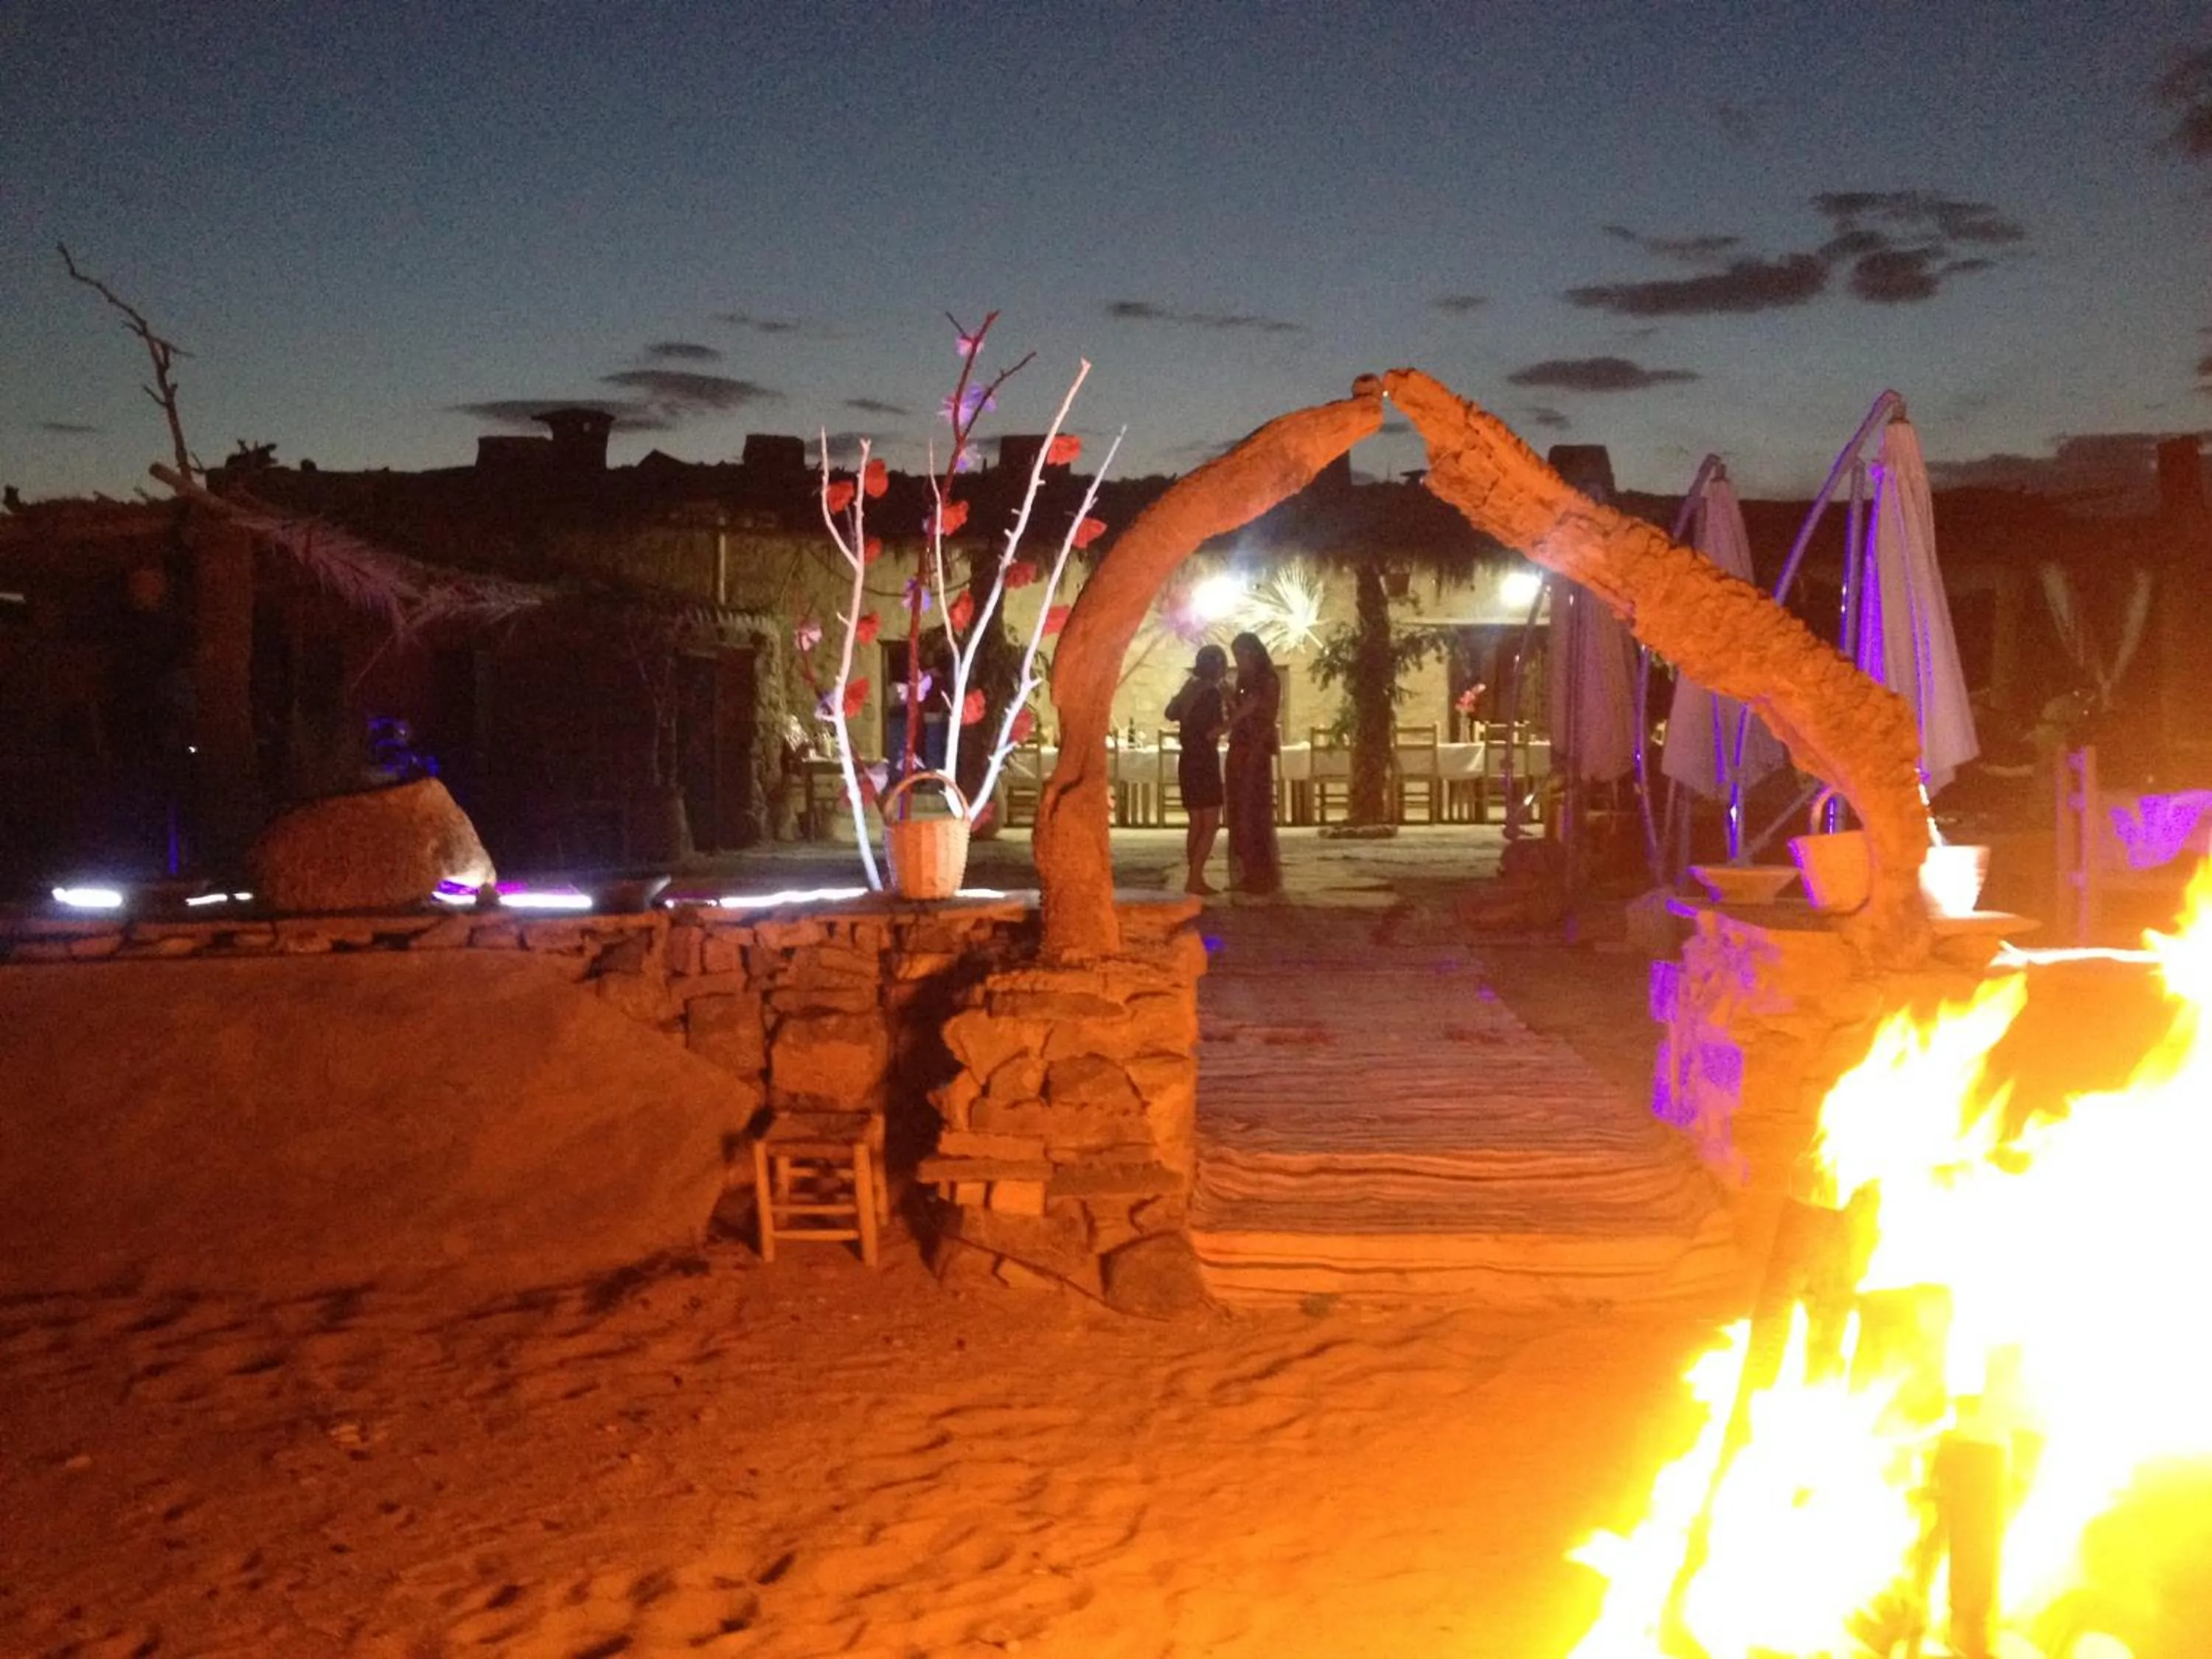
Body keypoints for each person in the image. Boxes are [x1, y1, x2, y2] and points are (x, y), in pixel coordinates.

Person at [1164, 644, 1228, 894]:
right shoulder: (1211, 693)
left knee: (1196, 822)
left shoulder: (1190, 688)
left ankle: (1195, 877)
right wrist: (1236, 718)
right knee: (1211, 823)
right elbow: (1212, 731)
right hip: (1204, 760)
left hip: (1188, 760)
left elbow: (1170, 713)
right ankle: (1195, 878)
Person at [1224, 631, 1282, 897]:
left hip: (1256, 747)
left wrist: (1225, 726)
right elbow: (1240, 708)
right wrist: (1228, 697)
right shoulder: (1246, 680)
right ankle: (1246, 870)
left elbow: (1251, 709)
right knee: (1239, 809)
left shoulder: (1267, 680)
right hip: (1242, 744)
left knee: (1254, 809)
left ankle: (1261, 873)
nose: (1240, 660)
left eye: (1242, 655)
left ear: (1253, 654)